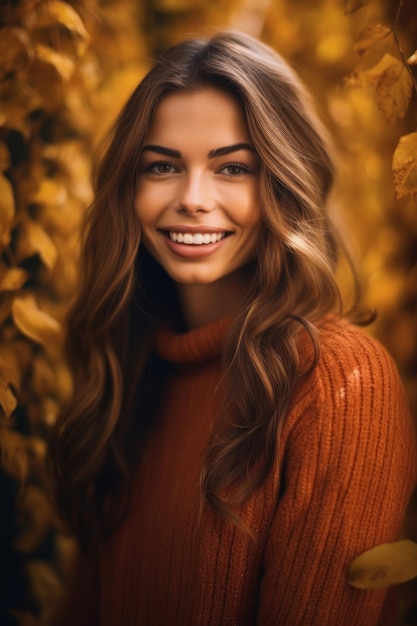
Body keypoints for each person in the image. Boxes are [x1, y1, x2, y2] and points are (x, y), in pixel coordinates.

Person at [49, 30, 416, 626]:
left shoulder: (340, 383)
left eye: (232, 168)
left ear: (283, 183)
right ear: (130, 189)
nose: (193, 199)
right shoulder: (131, 380)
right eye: (163, 166)